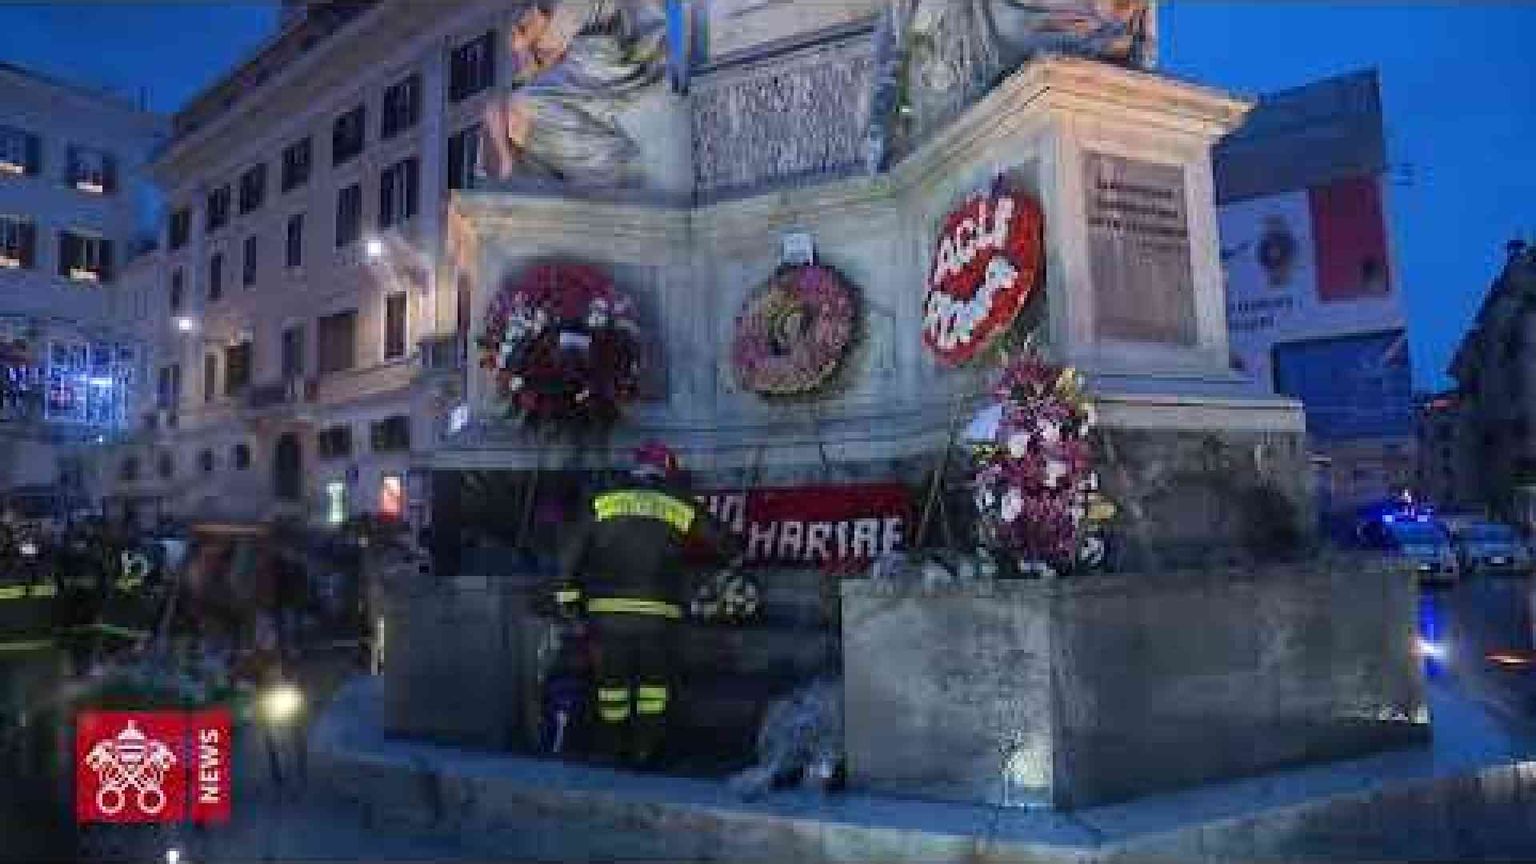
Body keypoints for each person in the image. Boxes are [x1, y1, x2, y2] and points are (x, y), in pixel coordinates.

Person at [555, 441, 740, 769]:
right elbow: (722, 541)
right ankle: (646, 750)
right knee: (653, 688)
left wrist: (569, 603)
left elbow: (568, 554)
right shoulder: (675, 503)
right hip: (658, 614)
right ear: (666, 471)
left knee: (611, 689)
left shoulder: (601, 502)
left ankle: (612, 749)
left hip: (607, 615)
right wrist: (730, 568)